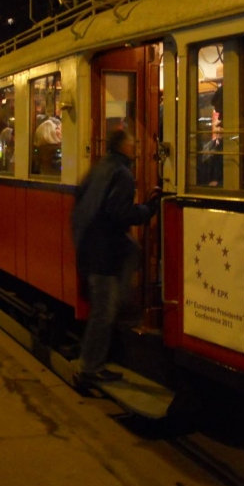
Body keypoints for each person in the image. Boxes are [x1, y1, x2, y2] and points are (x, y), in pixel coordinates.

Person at [70, 128, 161, 384]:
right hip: (104, 254)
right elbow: (119, 213)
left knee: (105, 305)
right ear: (124, 146)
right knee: (104, 311)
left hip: (90, 248)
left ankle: (93, 363)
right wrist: (148, 210)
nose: (137, 145)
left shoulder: (100, 167)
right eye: (133, 142)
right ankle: (90, 368)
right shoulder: (122, 174)